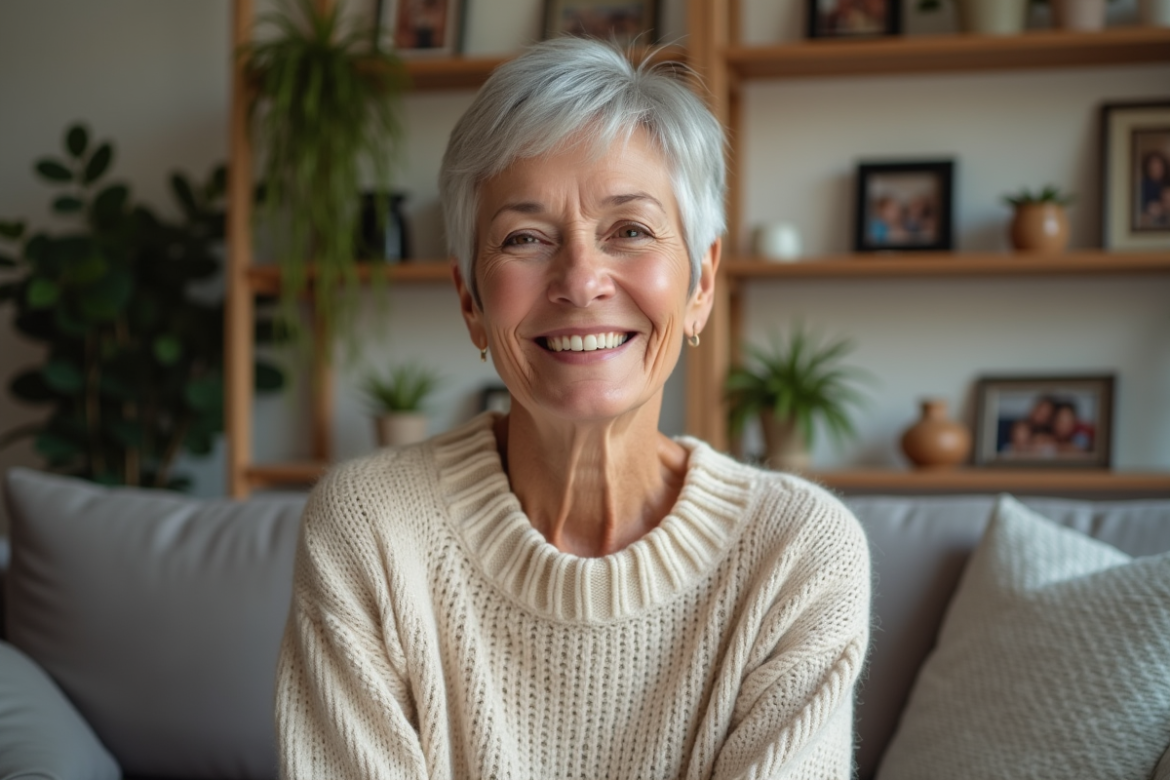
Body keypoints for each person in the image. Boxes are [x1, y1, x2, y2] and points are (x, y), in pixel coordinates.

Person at [275, 38, 871, 780]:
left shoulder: (799, 554)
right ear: (470, 301)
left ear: (702, 286)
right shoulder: (371, 528)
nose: (581, 279)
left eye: (630, 231)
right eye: (525, 238)